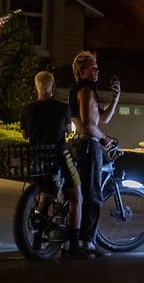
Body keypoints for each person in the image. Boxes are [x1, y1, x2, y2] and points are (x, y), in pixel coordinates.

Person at [20, 71, 88, 259]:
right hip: (59, 155)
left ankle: (38, 231)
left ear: (36, 87)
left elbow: (25, 135)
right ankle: (73, 246)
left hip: (38, 159)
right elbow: (68, 130)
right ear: (52, 87)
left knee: (46, 189)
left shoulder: (27, 110)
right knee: (76, 196)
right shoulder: (62, 108)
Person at [69, 51, 121, 257]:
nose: (97, 70)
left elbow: (103, 119)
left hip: (79, 145)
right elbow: (90, 126)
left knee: (82, 194)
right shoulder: (85, 92)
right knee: (93, 195)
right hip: (88, 147)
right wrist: (105, 140)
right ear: (82, 72)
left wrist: (116, 98)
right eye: (93, 67)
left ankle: (78, 239)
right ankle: (87, 242)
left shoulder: (84, 91)